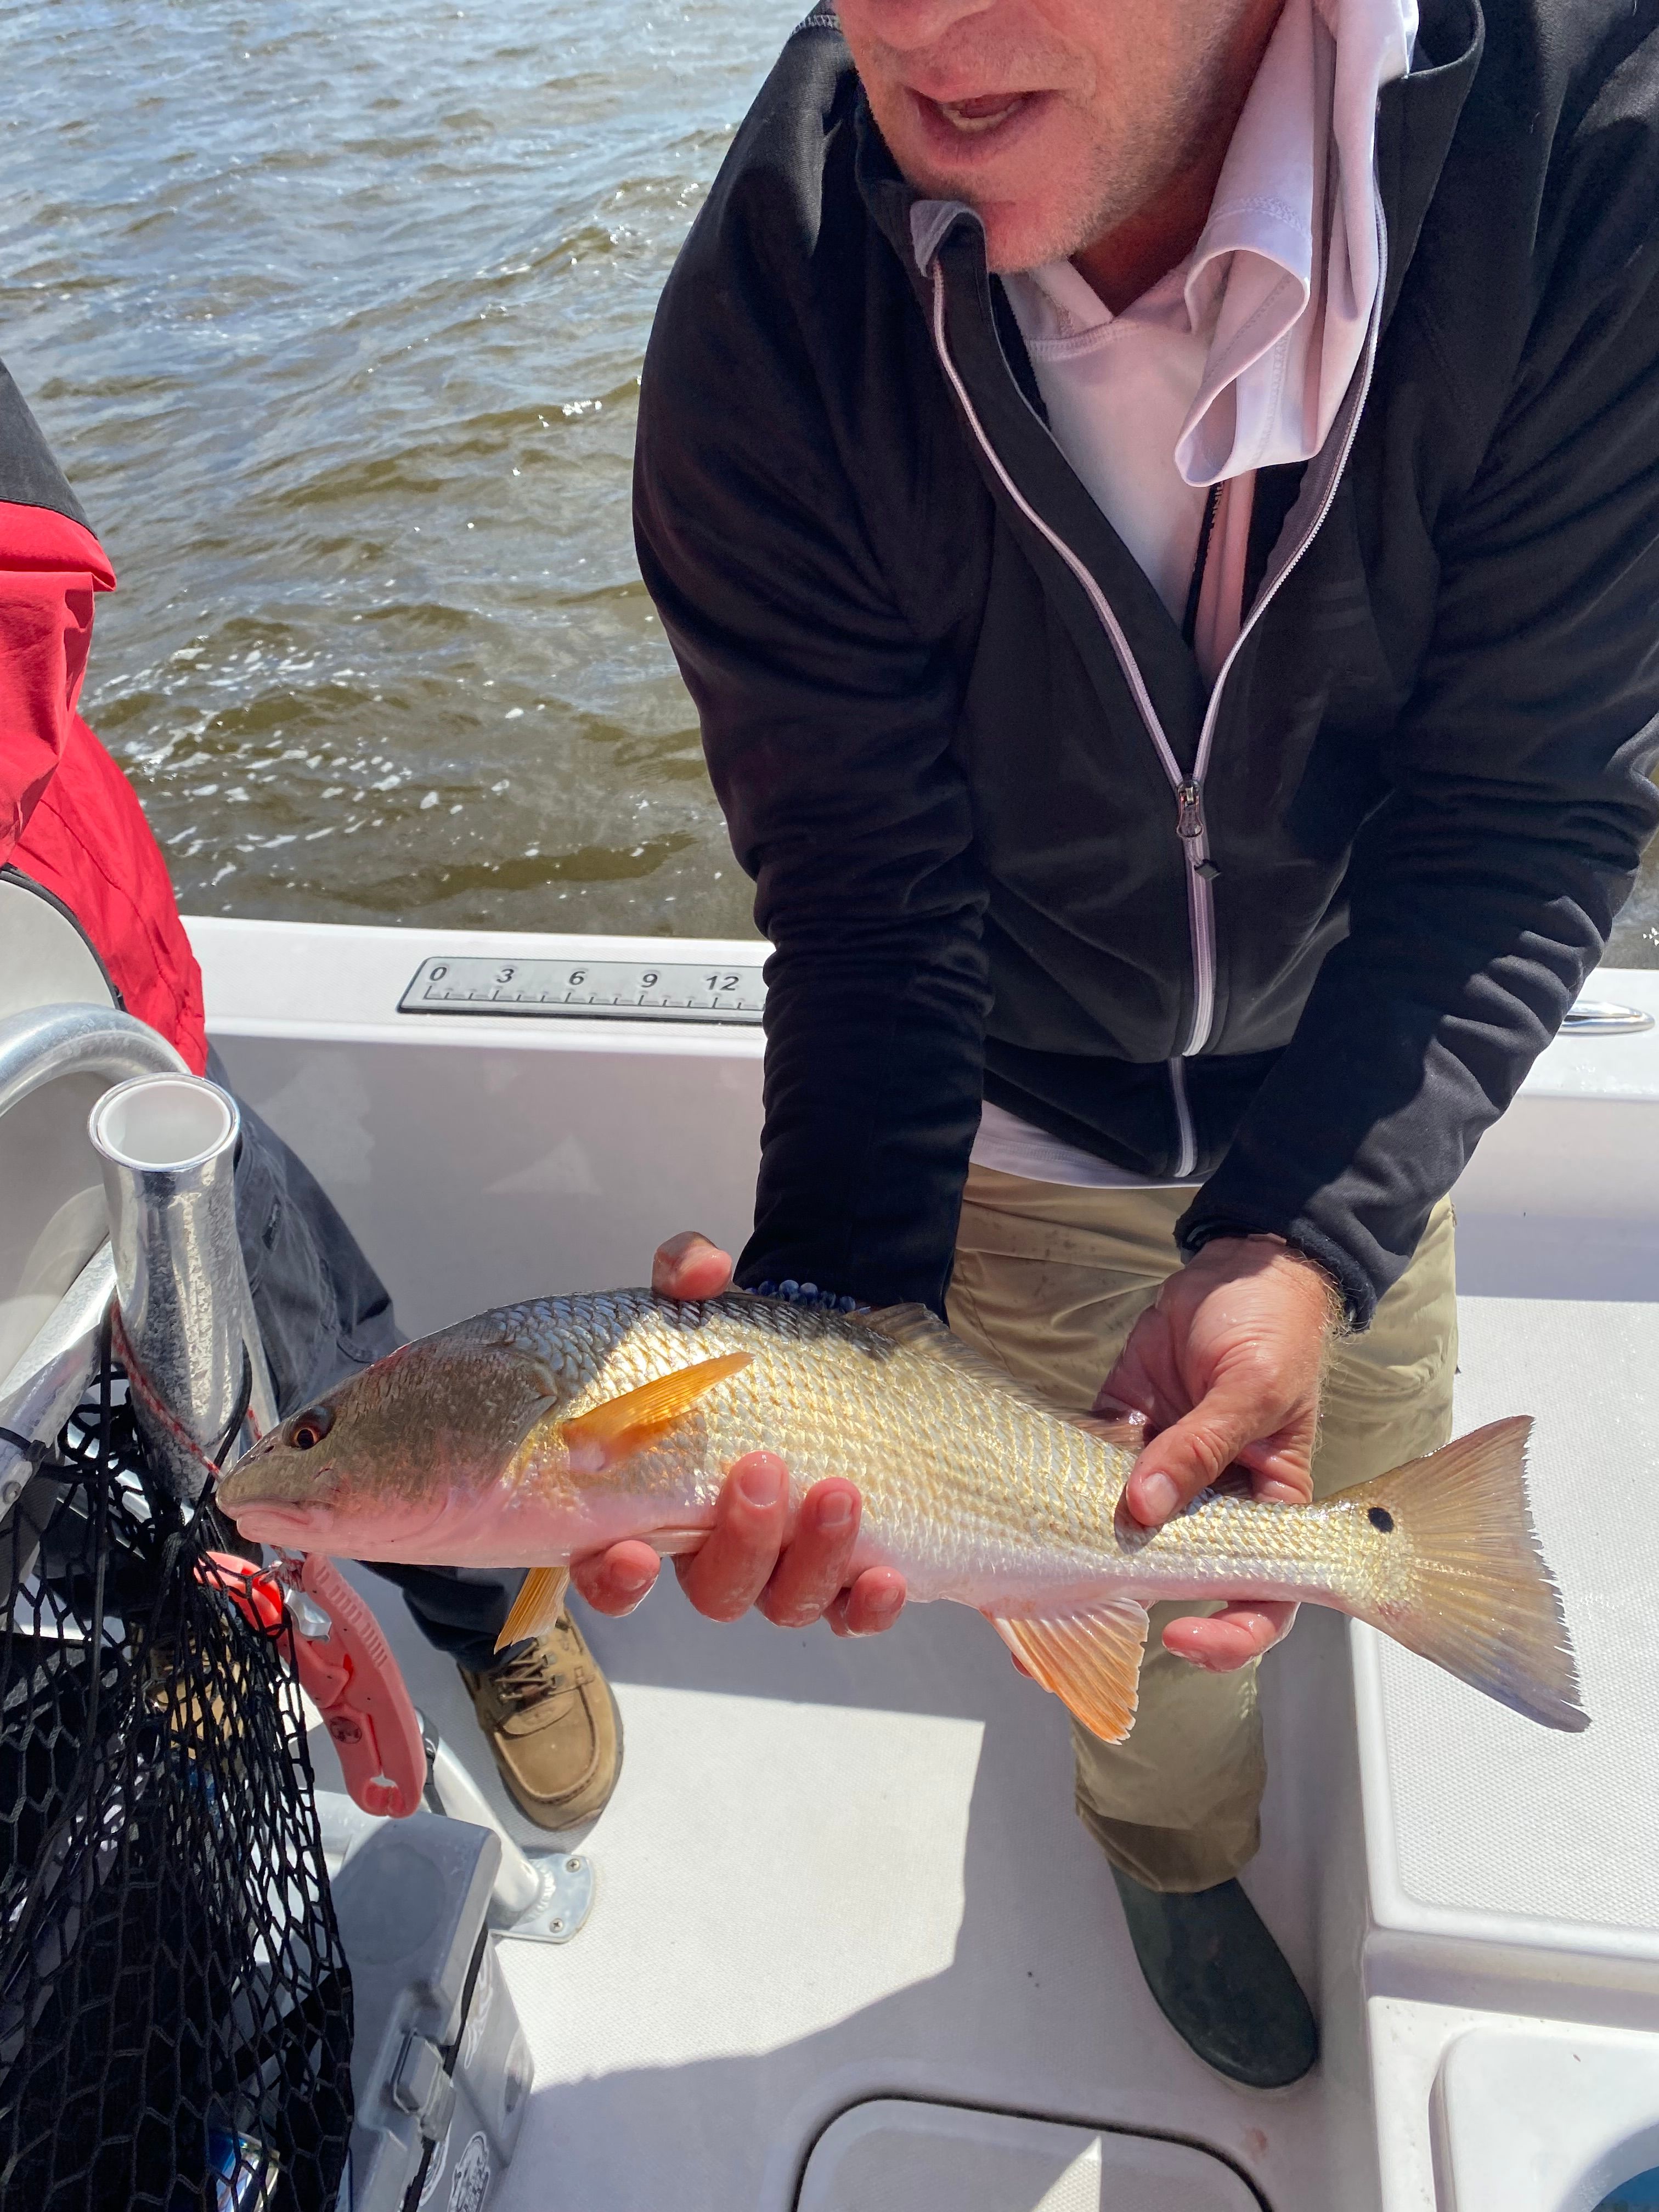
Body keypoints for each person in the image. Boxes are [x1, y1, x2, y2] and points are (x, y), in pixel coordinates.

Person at [607, 0, 1659, 2086]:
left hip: (1356, 1071)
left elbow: (1525, 811)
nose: (906, 24)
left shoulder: (1592, 149)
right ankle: (1172, 1845)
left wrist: (1310, 1231)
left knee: (1356, 1476)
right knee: (1147, 1651)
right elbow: (867, 902)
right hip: (1016, 1118)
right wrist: (840, 1316)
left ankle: (1357, 1587)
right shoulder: (780, 299)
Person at [0, 357, 621, 1833]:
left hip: (97, 1020)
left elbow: (29, 582)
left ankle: (493, 1600)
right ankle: (190, 1647)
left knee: (321, 1354)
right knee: (60, 1486)